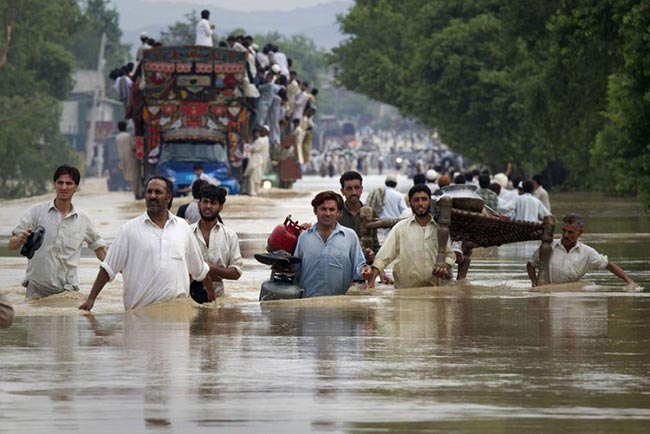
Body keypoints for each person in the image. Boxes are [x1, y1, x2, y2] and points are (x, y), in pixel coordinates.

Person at [79, 177, 213, 311]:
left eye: (158, 192)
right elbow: (108, 268)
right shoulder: (129, 229)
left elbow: (199, 269)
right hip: (139, 317)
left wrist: (212, 297)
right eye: (149, 192)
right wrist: (91, 299)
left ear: (168, 197)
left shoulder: (183, 227)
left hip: (177, 318)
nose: (152, 196)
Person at [9, 165, 107, 300]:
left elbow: (100, 251)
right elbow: (11, 245)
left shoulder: (83, 219)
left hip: (67, 293)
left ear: (76, 187)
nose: (64, 187)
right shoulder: (36, 212)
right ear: (54, 185)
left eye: (69, 183)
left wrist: (123, 270)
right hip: (36, 291)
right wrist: (20, 239)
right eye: (60, 183)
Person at [369, 184, 456, 289]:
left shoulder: (441, 229)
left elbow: (450, 256)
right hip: (405, 292)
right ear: (410, 203)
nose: (420, 204)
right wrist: (371, 282)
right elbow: (383, 257)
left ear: (430, 202)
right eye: (416, 200)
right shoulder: (400, 228)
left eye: (424, 199)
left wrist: (444, 266)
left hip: (435, 291)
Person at [293, 191, 372, 297]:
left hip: (339, 304)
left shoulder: (349, 236)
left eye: (332, 209)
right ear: (315, 211)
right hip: (308, 304)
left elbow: (359, 266)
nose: (327, 213)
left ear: (339, 213)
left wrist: (365, 271)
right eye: (323, 209)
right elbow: (295, 271)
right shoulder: (304, 237)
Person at [527, 213, 637, 288]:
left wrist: (630, 282)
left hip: (571, 295)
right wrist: (534, 281)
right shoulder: (548, 246)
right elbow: (531, 264)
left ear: (580, 233)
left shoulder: (587, 253)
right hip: (548, 292)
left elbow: (609, 265)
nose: (565, 235)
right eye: (564, 231)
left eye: (570, 232)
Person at [190, 185, 243, 297]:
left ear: (220, 207)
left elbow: (236, 272)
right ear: (199, 203)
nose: (208, 206)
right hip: (188, 294)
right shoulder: (187, 232)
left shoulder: (230, 235)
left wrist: (213, 269)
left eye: (213, 203)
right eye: (205, 201)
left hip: (217, 297)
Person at [245, 125, 270, 196]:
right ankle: (255, 191)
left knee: (253, 178)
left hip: (257, 161)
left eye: (262, 130)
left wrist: (245, 145)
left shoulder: (261, 140)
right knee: (257, 178)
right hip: (260, 161)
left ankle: (252, 192)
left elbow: (253, 148)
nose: (261, 132)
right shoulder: (266, 140)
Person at [115, 121, 139, 192]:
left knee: (127, 176)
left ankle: (131, 189)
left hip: (122, 159)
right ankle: (134, 190)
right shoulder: (128, 136)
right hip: (131, 158)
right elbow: (134, 146)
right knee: (134, 176)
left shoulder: (117, 137)